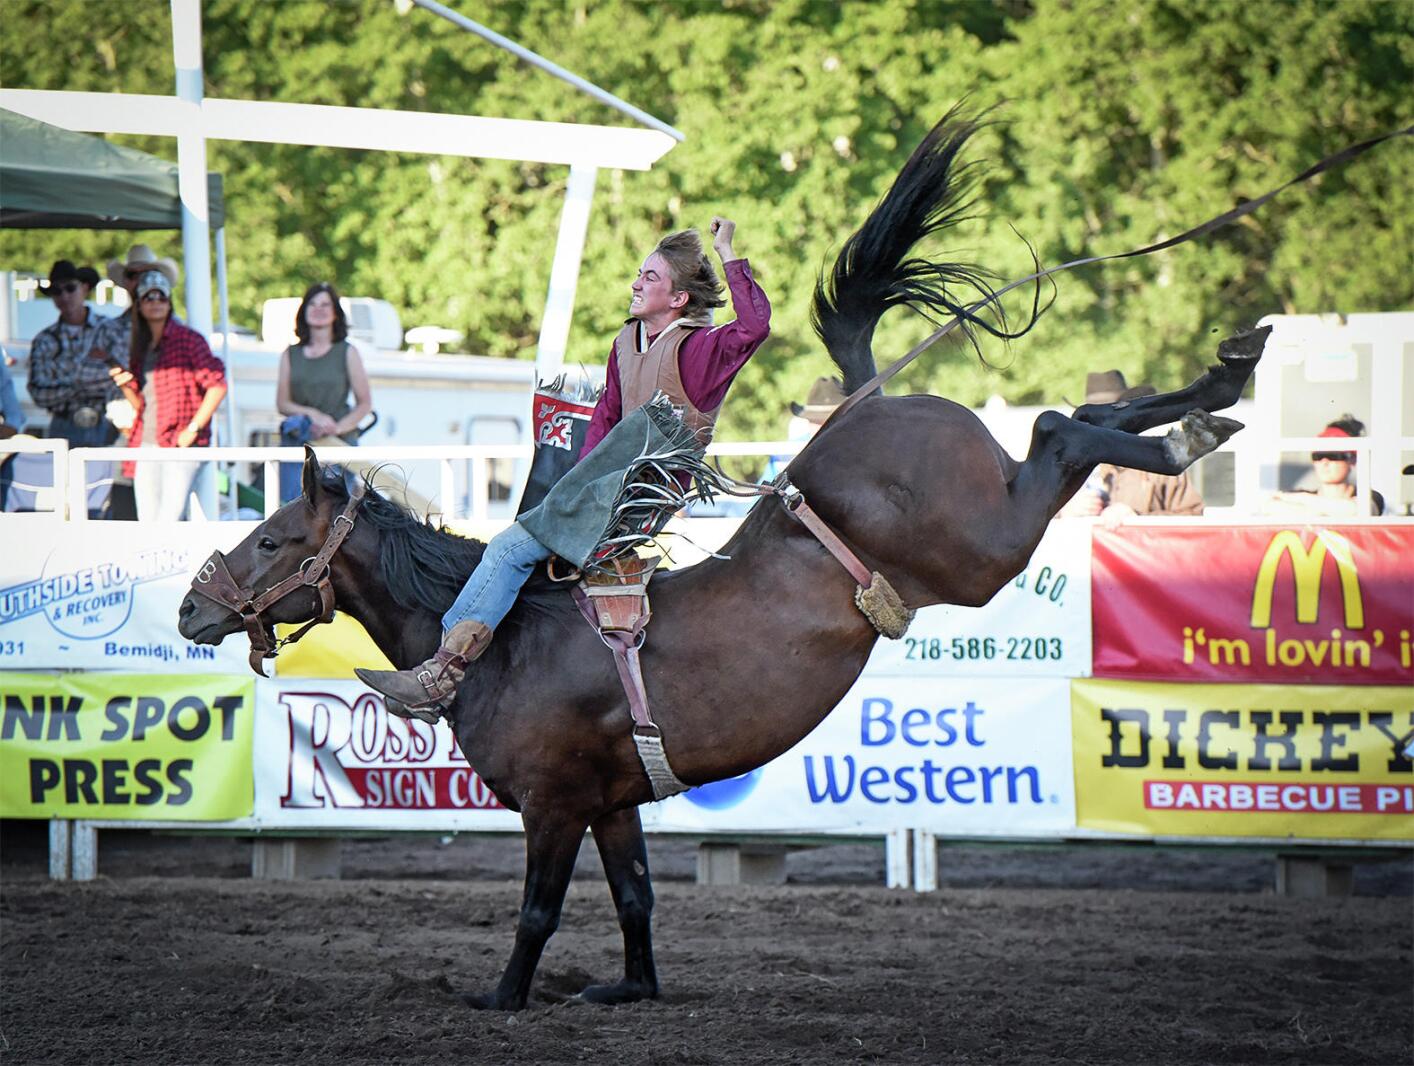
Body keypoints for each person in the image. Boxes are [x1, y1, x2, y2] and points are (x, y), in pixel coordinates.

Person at [358, 217, 771, 720]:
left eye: (650, 278)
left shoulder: (699, 349)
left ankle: (439, 677)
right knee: (517, 548)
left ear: (679, 300)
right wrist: (569, 491)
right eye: (639, 274)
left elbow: (754, 327)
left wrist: (727, 251)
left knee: (509, 548)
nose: (636, 283)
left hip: (638, 496)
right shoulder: (626, 344)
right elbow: (605, 422)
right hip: (601, 488)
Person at [116, 270, 228, 521]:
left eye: (161, 297)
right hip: (147, 441)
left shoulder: (188, 339)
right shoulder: (140, 346)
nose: (155, 303)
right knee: (148, 522)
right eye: (148, 297)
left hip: (179, 442)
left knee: (169, 519)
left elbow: (218, 385)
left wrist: (193, 427)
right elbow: (142, 405)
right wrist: (125, 385)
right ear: (139, 304)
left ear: (169, 301)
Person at [1058, 369, 1204, 523]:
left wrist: (1137, 518)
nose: (1101, 425)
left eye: (1109, 416)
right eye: (1092, 418)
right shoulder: (1069, 463)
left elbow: (1193, 516)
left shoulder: (1160, 461)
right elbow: (1033, 510)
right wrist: (1064, 511)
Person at [275, 282, 374, 503]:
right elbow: (283, 403)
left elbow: (364, 403)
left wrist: (336, 428)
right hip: (299, 445)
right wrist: (312, 415)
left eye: (325, 305)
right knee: (294, 510)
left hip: (338, 444)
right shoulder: (290, 354)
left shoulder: (348, 352)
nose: (319, 309)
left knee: (336, 512)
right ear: (304, 311)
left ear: (335, 314)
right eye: (313, 304)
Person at [26, 260, 129, 446]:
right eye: (57, 291)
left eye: (70, 288)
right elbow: (39, 393)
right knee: (62, 474)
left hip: (108, 421)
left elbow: (122, 377)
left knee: (107, 475)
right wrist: (84, 380)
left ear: (84, 287)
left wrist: (65, 381)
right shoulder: (45, 339)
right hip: (63, 423)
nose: (64, 296)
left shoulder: (110, 329)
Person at [1264, 415, 1385, 516]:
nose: (1324, 462)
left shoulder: (1370, 496)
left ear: (1352, 459)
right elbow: (1269, 507)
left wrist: (1301, 499)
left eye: (1334, 455)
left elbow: (1356, 511)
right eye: (1318, 456)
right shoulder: (1297, 494)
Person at [101, 245, 181, 365]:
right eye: (132, 275)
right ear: (125, 281)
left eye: (146, 273)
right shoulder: (108, 330)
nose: (140, 280)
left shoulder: (179, 330)